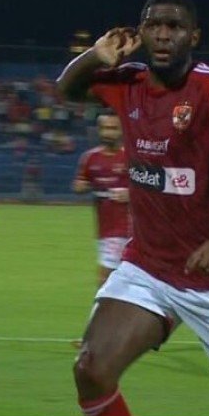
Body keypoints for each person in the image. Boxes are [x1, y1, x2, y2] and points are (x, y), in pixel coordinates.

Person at [56, 0, 209, 416]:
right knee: (91, 370)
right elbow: (66, 90)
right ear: (141, 32)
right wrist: (95, 56)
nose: (163, 35)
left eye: (175, 27)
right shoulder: (127, 82)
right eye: (153, 25)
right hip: (147, 268)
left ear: (194, 36)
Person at [73, 113, 131, 286]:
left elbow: (149, 188)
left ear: (122, 131)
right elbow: (79, 184)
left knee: (106, 277)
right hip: (105, 228)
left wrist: (131, 194)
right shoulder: (90, 158)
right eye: (105, 128)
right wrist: (81, 186)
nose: (108, 133)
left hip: (127, 227)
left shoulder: (131, 157)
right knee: (118, 278)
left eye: (113, 128)